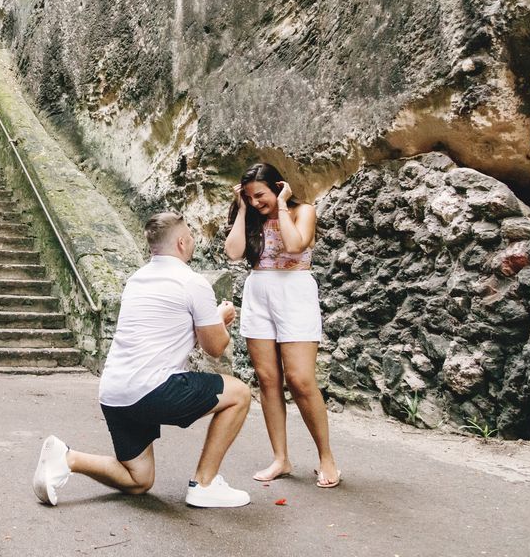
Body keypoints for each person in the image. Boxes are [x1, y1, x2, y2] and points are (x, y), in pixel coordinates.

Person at [32, 212, 253, 508]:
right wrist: (220, 318)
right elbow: (214, 347)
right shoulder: (192, 282)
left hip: (114, 393)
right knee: (239, 393)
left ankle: (67, 457)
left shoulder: (137, 279)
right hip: (152, 390)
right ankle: (206, 483)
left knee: (139, 481)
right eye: (190, 237)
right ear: (182, 242)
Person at [225, 163, 341, 488]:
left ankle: (326, 458)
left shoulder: (304, 210)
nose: (256, 201)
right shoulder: (250, 216)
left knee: (301, 380)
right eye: (249, 196)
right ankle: (281, 458)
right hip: (258, 291)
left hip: (295, 291)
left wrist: (279, 206)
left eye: (259, 194)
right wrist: (242, 210)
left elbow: (294, 245)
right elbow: (234, 253)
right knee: (267, 379)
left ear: (277, 187)